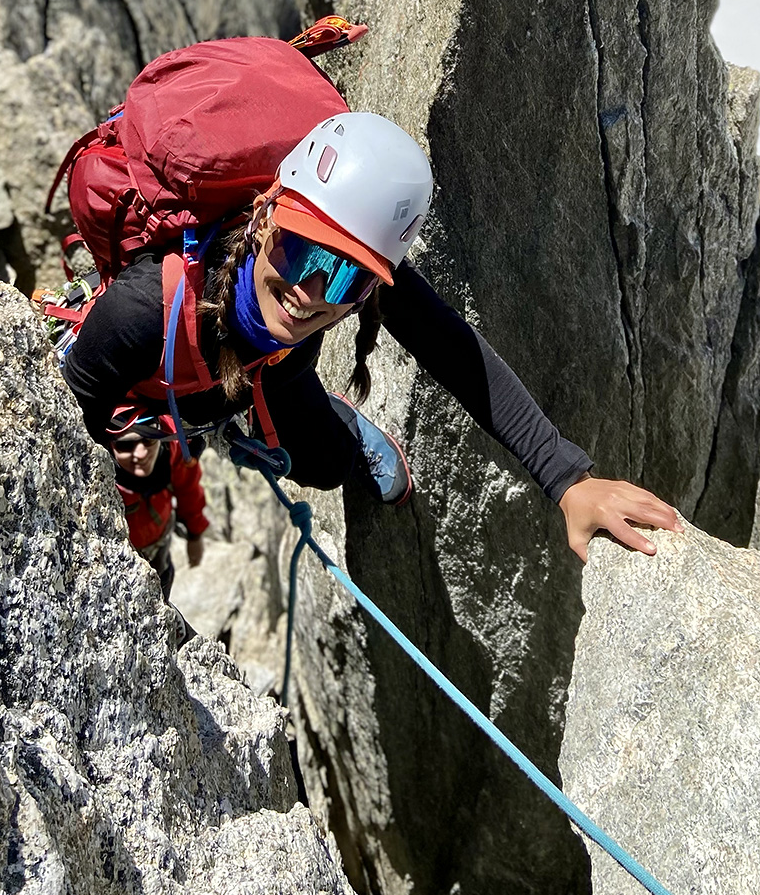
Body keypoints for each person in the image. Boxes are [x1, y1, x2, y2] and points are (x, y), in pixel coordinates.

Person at [64, 112, 682, 562]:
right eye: (300, 249)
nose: (310, 290)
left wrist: (566, 478)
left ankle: (291, 418)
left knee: (326, 467)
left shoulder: (351, 273)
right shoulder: (147, 310)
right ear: (265, 217)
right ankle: (213, 423)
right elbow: (68, 413)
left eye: (344, 278)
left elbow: (456, 352)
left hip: (268, 370)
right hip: (158, 384)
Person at [109, 419, 208, 598]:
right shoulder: (99, 477)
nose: (141, 454)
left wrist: (195, 534)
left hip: (159, 541)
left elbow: (188, 488)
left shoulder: (172, 445)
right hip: (125, 557)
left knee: (164, 576)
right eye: (126, 445)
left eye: (148, 440)